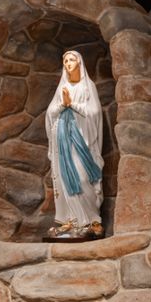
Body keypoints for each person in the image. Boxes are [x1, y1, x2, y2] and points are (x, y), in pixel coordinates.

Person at [45, 50, 104, 238]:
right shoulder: (62, 87)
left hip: (82, 142)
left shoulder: (88, 86)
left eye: (71, 60)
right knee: (64, 178)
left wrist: (73, 105)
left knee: (82, 176)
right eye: (65, 61)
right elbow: (50, 113)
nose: (68, 63)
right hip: (63, 143)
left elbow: (94, 112)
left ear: (79, 63)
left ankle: (91, 220)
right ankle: (71, 221)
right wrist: (63, 105)